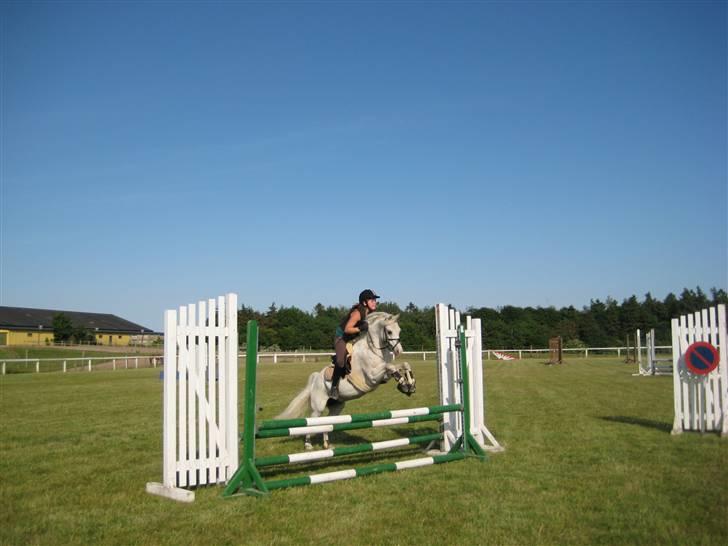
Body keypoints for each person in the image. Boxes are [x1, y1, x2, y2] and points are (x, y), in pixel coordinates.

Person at [330, 289, 380, 399]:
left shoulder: (369, 312)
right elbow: (347, 329)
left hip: (352, 338)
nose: (374, 302)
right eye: (371, 300)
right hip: (341, 337)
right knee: (341, 361)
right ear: (364, 302)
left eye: (375, 300)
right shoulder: (358, 313)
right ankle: (334, 387)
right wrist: (360, 328)